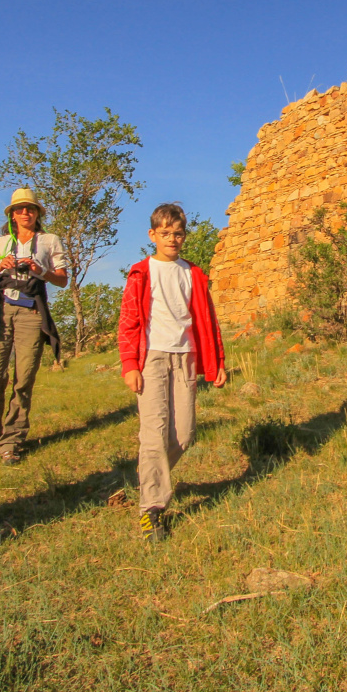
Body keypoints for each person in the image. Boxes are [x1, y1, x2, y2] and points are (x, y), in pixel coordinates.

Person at [117, 203, 227, 542]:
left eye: (177, 233)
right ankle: (151, 508)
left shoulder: (192, 273)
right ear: (152, 235)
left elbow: (207, 321)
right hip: (151, 358)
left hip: (187, 358)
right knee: (154, 433)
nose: (172, 239)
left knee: (184, 434)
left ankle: (150, 475)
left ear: (184, 235)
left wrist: (217, 362)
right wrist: (130, 365)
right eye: (165, 233)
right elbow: (129, 321)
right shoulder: (141, 272)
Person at [0, 188, 65, 465]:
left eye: (30, 209)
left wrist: (39, 271)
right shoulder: (0, 244)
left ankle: (12, 440)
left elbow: (62, 280)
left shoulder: (49, 241)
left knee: (24, 379)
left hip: (31, 315)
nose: (25, 213)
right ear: (12, 215)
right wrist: (1, 266)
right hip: (0, 313)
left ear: (37, 214)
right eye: (20, 209)